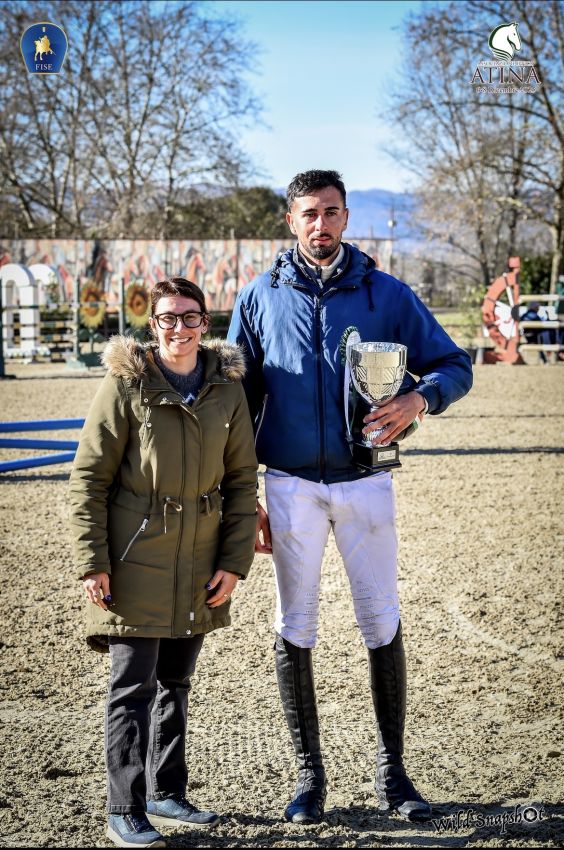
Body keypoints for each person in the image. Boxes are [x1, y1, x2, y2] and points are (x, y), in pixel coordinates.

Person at [227, 170, 473, 825]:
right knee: (294, 623)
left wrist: (420, 398)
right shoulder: (257, 297)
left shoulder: (386, 293)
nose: (321, 224)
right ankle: (309, 777)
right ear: (290, 220)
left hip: (367, 481)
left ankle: (395, 774)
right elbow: (235, 406)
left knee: (381, 619)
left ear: (346, 217)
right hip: (289, 485)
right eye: (309, 213)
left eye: (331, 212)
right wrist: (244, 493)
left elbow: (455, 364)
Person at [69, 277, 258, 849]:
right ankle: (124, 807)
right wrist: (93, 562)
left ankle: (165, 791)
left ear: (205, 321)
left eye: (190, 316)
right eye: (168, 318)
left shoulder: (227, 388)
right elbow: (89, 478)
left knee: (176, 681)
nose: (179, 328)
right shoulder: (126, 383)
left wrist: (234, 562)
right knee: (132, 687)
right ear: (153, 325)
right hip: (135, 556)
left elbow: (242, 481)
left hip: (200, 558)